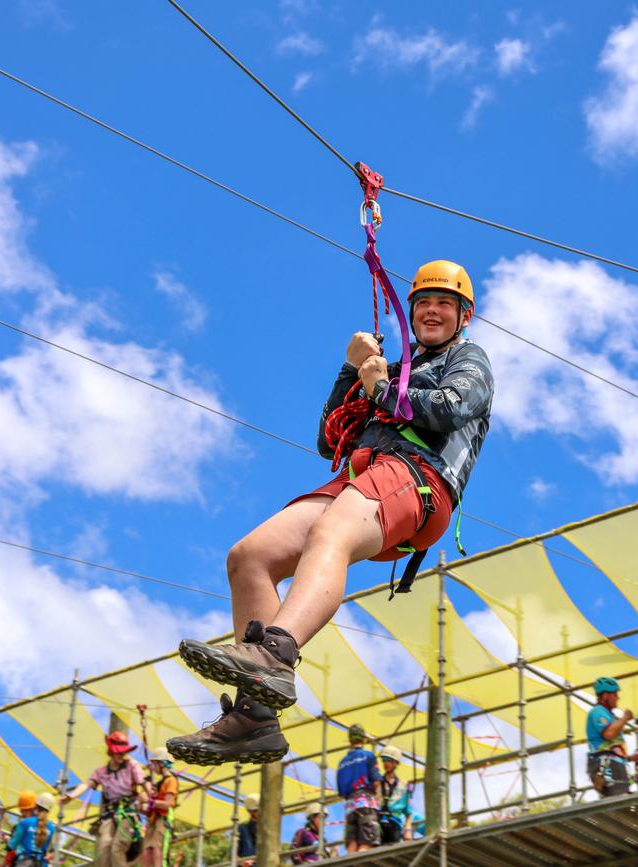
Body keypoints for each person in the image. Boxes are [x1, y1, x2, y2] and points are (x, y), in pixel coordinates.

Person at [167, 260, 494, 765]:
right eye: (424, 303)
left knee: (331, 531)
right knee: (250, 556)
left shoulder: (468, 358)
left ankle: (274, 653)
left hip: (420, 479)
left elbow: (452, 407)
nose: (432, 311)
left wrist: (380, 386)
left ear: (463, 316)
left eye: (444, 304)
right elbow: (328, 440)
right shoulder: (388, 366)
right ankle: (254, 718)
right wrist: (352, 371)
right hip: (363, 475)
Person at [61, 731, 153, 867]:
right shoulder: (101, 772)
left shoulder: (132, 766)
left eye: (123, 752)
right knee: (103, 847)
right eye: (119, 752)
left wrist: (153, 796)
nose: (122, 755)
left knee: (118, 847)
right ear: (111, 752)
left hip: (128, 812)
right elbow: (87, 784)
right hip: (109, 814)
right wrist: (72, 795)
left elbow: (144, 783)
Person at [337, 724, 381, 853]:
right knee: (368, 843)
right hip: (366, 803)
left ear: (349, 739)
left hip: (350, 806)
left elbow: (341, 793)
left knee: (352, 845)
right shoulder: (368, 756)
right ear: (363, 738)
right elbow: (377, 781)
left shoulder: (342, 762)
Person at [586, 677, 632, 797]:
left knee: (622, 802)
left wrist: (630, 758)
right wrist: (625, 718)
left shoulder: (608, 715)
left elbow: (614, 744)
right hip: (607, 763)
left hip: (614, 763)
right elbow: (609, 734)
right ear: (605, 695)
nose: (618, 697)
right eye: (615, 694)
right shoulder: (597, 711)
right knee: (619, 801)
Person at [142, 747, 178, 867]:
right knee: (147, 852)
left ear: (161, 764)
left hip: (162, 821)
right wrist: (142, 807)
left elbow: (168, 804)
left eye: (155, 764)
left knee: (156, 850)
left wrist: (150, 801)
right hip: (153, 821)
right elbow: (153, 806)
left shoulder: (171, 781)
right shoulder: (160, 783)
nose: (153, 767)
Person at [6, 793, 55, 867]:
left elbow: (11, 845)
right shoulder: (52, 828)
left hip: (23, 862)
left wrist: (8, 841)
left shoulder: (24, 823)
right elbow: (51, 849)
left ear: (35, 806)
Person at [378, 745, 412, 844]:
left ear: (396, 762)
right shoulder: (377, 783)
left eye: (388, 760)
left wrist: (408, 831)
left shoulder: (403, 785)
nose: (385, 763)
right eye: (383, 760)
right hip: (378, 824)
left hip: (394, 824)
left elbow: (408, 811)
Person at [237, 793, 259, 867]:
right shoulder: (242, 828)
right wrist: (242, 863)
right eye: (257, 810)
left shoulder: (268, 830)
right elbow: (233, 854)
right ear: (252, 812)